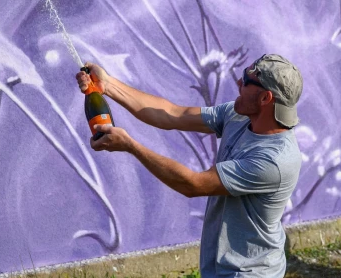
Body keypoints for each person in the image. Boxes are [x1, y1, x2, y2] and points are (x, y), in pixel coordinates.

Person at [75, 53, 303, 277]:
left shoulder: (274, 161)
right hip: (220, 269)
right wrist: (108, 85)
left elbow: (193, 184)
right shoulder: (240, 115)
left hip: (250, 273)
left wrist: (131, 145)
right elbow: (174, 114)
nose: (238, 81)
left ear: (265, 99)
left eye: (247, 79)